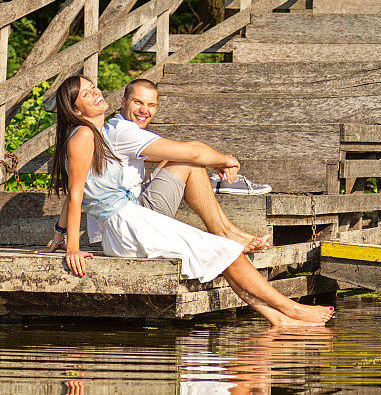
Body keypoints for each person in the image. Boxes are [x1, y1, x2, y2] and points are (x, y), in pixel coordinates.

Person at [45, 75, 333, 326]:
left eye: (93, 87)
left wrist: (59, 233)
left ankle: (278, 318)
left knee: (221, 252)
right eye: (86, 93)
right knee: (226, 250)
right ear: (75, 107)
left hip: (127, 225)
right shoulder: (84, 134)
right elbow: (77, 193)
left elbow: (73, 192)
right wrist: (72, 247)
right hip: (127, 225)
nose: (95, 92)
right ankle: (291, 308)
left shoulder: (96, 135)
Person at [83, 78, 271, 251]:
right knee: (189, 162)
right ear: (123, 102)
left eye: (151, 105)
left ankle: (232, 232)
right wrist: (226, 160)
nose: (144, 110)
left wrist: (212, 160)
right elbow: (194, 153)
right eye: (138, 102)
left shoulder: (116, 128)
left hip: (125, 211)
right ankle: (224, 233)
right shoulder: (124, 132)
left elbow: (185, 150)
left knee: (177, 157)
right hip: (127, 221)